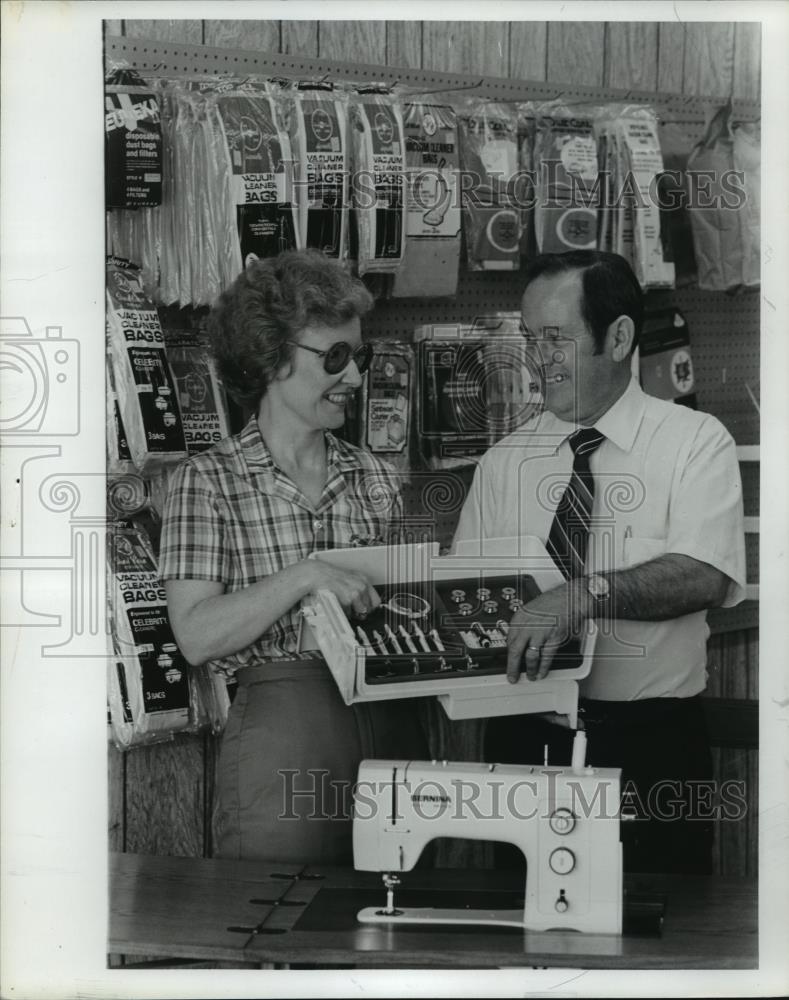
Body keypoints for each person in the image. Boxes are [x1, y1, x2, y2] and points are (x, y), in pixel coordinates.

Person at [452, 250, 746, 874]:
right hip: (522, 743)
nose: (538, 359)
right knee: (519, 946)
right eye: (532, 339)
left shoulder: (695, 443)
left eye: (556, 338)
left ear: (618, 337)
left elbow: (705, 573)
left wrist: (581, 596)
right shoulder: (503, 463)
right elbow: (464, 599)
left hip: (653, 747)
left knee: (660, 948)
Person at [159, 249, 427, 865]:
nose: (356, 378)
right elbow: (196, 635)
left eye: (356, 355)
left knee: (401, 916)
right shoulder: (208, 481)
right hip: (283, 734)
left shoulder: (377, 478)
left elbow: (416, 615)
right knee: (280, 920)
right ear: (272, 356)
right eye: (335, 358)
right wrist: (307, 576)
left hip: (393, 721)